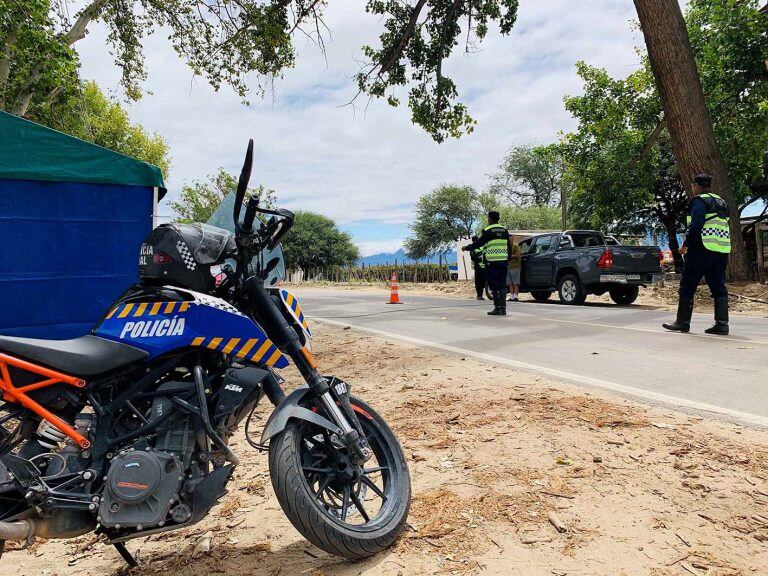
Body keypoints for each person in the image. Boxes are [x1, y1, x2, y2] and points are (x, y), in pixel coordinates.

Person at [663, 173, 731, 335]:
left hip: (701, 249)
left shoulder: (700, 201)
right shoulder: (722, 202)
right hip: (721, 250)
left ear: (696, 186)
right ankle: (722, 324)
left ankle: (682, 322)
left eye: (693, 186)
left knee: (687, 284)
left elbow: (696, 225)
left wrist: (685, 245)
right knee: (718, 285)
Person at [462, 211, 510, 315]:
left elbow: (478, 243)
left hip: (492, 262)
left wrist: (467, 248)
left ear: (490, 219)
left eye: (488, 217)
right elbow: (509, 246)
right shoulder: (505, 230)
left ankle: (498, 308)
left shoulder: (488, 230)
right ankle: (503, 308)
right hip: (503, 261)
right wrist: (508, 260)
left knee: (494, 285)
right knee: (502, 285)